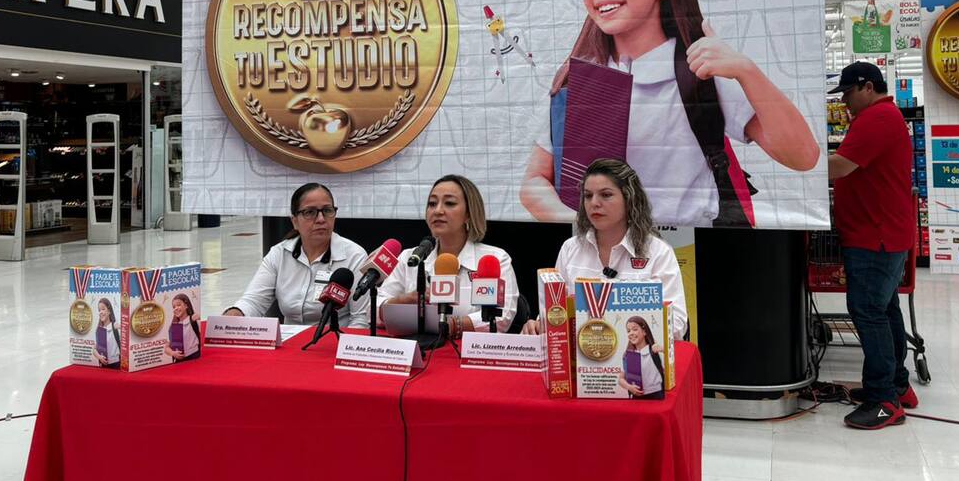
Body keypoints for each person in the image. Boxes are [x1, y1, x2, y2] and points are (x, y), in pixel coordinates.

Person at [519, 0, 819, 229]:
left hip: (683, 254)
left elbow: (802, 156)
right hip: (600, 258)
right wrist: (583, 226)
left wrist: (747, 71)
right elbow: (535, 180)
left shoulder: (699, 69)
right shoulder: (579, 80)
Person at [827, 61, 918, 429]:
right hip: (885, 233)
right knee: (886, 309)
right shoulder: (882, 116)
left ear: (867, 86)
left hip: (874, 236)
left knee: (867, 311)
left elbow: (841, 166)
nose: (845, 102)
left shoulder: (877, 118)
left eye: (848, 94)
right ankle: (897, 385)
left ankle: (884, 400)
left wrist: (796, 165)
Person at [522, 158, 688, 340]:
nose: (594, 203)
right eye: (588, 195)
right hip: (578, 357)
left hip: (636, 355)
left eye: (606, 195)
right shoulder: (570, 249)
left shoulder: (657, 252)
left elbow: (677, 324)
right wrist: (539, 324)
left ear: (629, 198)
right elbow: (554, 311)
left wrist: (624, 331)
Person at [378, 175, 519, 336]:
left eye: (449, 203)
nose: (437, 210)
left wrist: (450, 326)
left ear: (469, 213)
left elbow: (503, 316)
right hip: (416, 348)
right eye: (432, 204)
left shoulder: (495, 258)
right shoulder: (410, 258)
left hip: (468, 352)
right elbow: (373, 310)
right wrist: (404, 300)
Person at [225, 183, 371, 328]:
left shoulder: (354, 256)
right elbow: (254, 301)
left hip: (335, 343)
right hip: (290, 343)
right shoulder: (279, 254)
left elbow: (360, 319)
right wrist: (236, 313)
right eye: (310, 212)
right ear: (295, 221)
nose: (321, 219)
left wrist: (343, 347)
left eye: (327, 210)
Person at [618, 316, 665, 399]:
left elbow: (672, 358)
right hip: (637, 396)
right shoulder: (628, 355)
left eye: (635, 329)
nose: (631, 333)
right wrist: (629, 387)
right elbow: (621, 379)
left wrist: (663, 349)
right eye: (628, 331)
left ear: (644, 332)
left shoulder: (653, 350)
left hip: (656, 395)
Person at [164, 293, 201, 362]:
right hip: (180, 360)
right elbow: (167, 347)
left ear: (186, 305)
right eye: (174, 307)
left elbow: (198, 317)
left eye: (178, 305)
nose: (176, 308)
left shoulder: (191, 319)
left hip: (194, 356)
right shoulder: (173, 326)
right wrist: (173, 353)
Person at [91, 298, 120, 369]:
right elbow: (94, 349)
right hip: (103, 365)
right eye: (99, 310)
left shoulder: (115, 326)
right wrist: (99, 357)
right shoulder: (99, 329)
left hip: (116, 364)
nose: (100, 312)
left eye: (103, 309)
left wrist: (121, 327)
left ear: (109, 311)